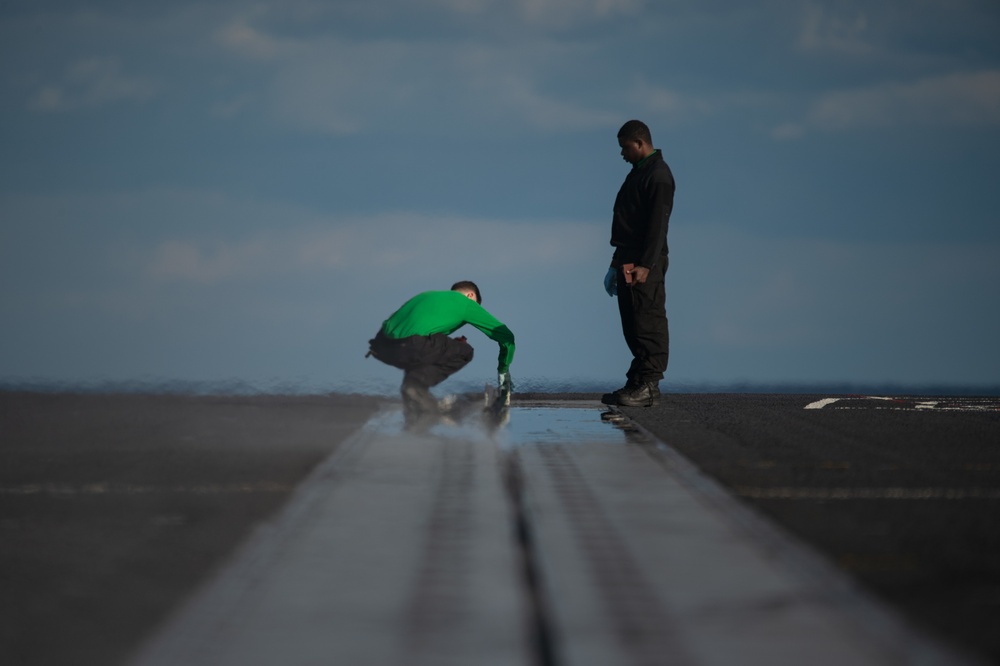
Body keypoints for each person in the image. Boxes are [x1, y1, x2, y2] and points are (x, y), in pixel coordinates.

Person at [601, 119, 675, 407]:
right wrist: (615, 262)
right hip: (627, 260)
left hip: (645, 263)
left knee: (648, 321)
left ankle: (649, 384)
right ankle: (637, 380)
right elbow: (628, 224)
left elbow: (658, 226)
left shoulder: (658, 175)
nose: (622, 154)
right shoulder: (638, 173)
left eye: (625, 148)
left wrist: (646, 264)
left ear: (640, 143)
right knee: (632, 323)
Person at [367, 281, 515, 421]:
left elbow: (408, 327)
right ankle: (417, 391)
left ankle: (414, 416)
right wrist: (504, 372)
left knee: (422, 361)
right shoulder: (465, 303)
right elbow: (506, 337)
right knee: (465, 351)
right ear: (470, 295)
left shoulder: (426, 295)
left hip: (382, 347)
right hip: (413, 344)